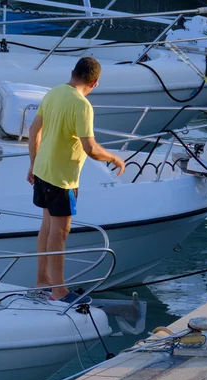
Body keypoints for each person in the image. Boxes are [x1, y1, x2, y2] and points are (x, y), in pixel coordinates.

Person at [27, 57, 126, 304]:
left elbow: (33, 131)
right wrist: (113, 158)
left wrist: (33, 164)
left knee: (47, 226)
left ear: (73, 73)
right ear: (95, 82)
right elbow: (90, 148)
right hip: (61, 178)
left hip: (42, 170)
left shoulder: (53, 92)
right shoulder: (82, 105)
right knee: (60, 231)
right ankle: (59, 291)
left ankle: (42, 280)